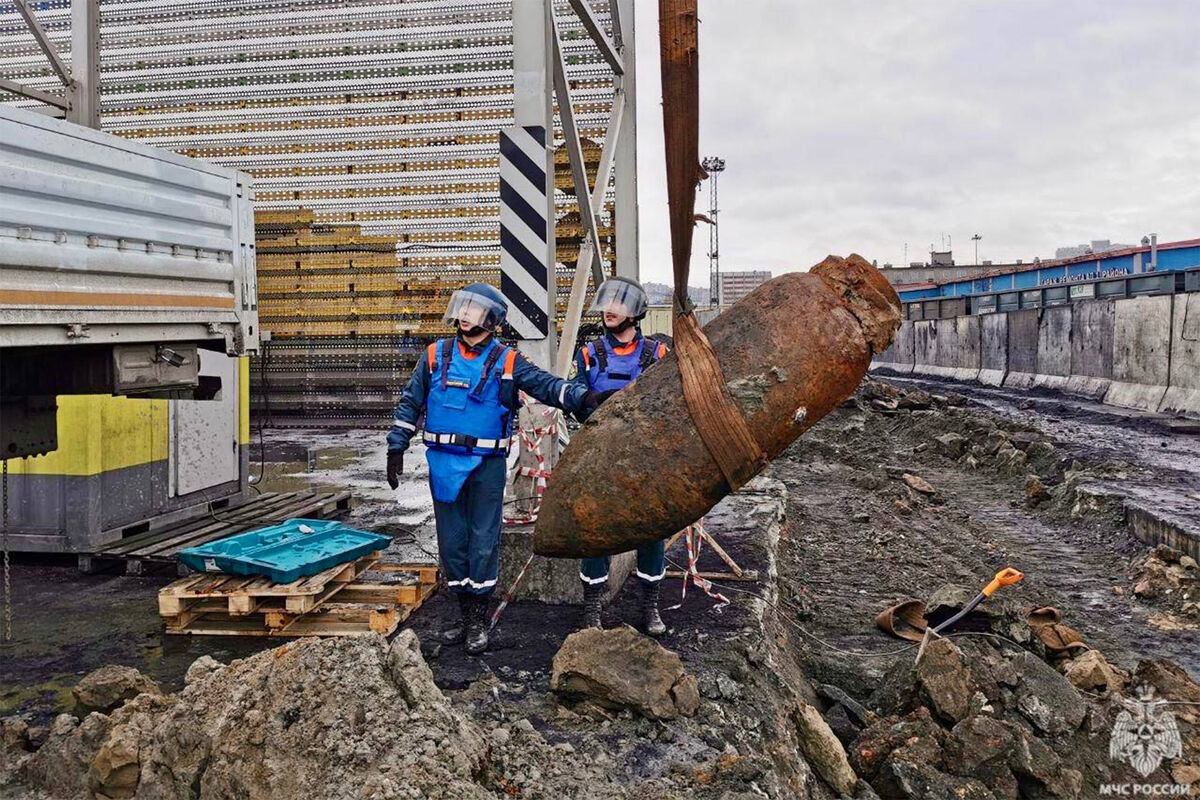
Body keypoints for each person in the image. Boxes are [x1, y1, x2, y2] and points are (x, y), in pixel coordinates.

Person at [386, 283, 600, 654]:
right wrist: (396, 446)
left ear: (492, 320)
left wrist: (581, 397)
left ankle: (477, 621)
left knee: (483, 542)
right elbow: (410, 402)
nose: (465, 315)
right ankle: (462, 612)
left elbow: (546, 386)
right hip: (442, 465)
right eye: (464, 307)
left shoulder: (508, 361)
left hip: (486, 466)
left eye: (474, 309)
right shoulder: (436, 355)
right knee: (452, 543)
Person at [572, 277, 670, 636]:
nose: (611, 309)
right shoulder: (589, 354)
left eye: (620, 304)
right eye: (608, 303)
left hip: (644, 460)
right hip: (601, 458)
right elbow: (577, 397)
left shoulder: (658, 355)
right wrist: (587, 403)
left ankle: (650, 605)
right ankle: (593, 609)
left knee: (651, 531)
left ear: (637, 313)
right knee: (595, 531)